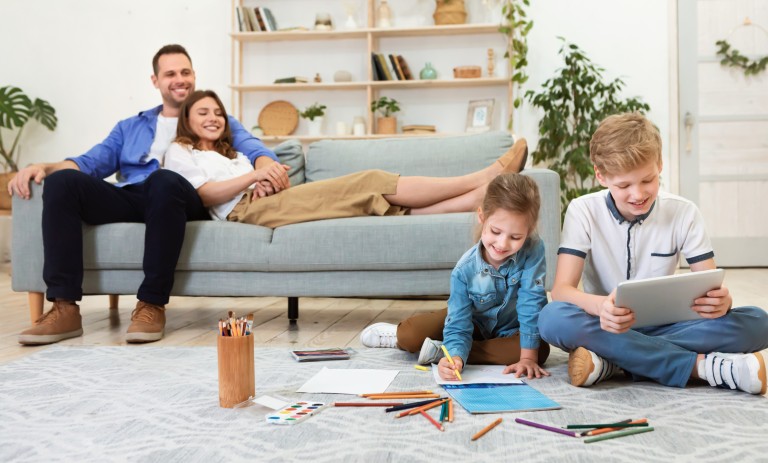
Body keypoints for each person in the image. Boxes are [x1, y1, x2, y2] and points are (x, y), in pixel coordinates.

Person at [10, 44, 289, 345]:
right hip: (134, 196)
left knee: (163, 180)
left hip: (183, 198)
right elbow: (87, 163)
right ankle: (64, 308)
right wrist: (43, 167)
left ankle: (151, 304)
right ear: (155, 81)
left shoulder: (215, 119)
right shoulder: (131, 127)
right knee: (63, 182)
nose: (179, 79)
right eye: (170, 74)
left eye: (185, 72)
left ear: (194, 75)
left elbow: (258, 151)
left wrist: (266, 171)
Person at [537, 112, 768, 394]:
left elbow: (709, 285)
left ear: (659, 165)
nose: (638, 194)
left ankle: (612, 360)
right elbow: (562, 290)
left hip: (667, 326)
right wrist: (600, 307)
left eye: (647, 180)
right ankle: (702, 367)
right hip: (605, 324)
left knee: (758, 323)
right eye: (623, 185)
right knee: (551, 317)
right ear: (601, 175)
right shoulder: (583, 210)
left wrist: (723, 301)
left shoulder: (684, 212)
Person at [163, 89, 530, 229]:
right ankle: (483, 178)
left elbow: (261, 174)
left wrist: (268, 177)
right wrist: (251, 180)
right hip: (243, 212)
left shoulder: (235, 153)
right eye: (202, 113)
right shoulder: (180, 152)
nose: (213, 117)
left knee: (371, 201)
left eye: (218, 112)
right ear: (187, 120)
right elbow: (204, 195)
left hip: (266, 200)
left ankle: (477, 197)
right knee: (369, 182)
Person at [360, 172, 550, 381]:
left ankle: (442, 351)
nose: (503, 244)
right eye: (495, 231)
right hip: (469, 318)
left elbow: (532, 301)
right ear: (482, 217)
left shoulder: (534, 249)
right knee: (410, 336)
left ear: (529, 231)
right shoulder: (464, 269)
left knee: (538, 351)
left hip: (510, 329)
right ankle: (433, 344)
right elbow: (458, 323)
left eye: (515, 237)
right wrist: (456, 351)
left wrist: (527, 358)